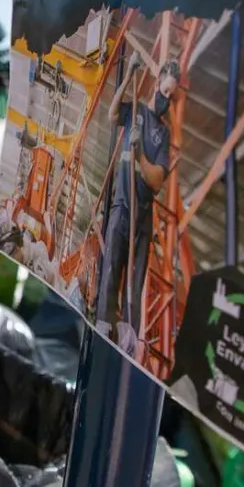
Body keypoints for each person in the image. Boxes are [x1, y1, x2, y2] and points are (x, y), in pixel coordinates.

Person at [95, 52, 180, 354]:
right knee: (112, 267)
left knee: (136, 276)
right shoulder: (138, 111)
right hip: (122, 204)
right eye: (164, 91)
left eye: (171, 95)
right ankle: (104, 324)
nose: (165, 99)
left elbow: (157, 180)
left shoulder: (163, 134)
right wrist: (129, 74)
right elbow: (112, 114)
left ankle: (128, 337)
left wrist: (141, 155)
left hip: (142, 215)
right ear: (157, 83)